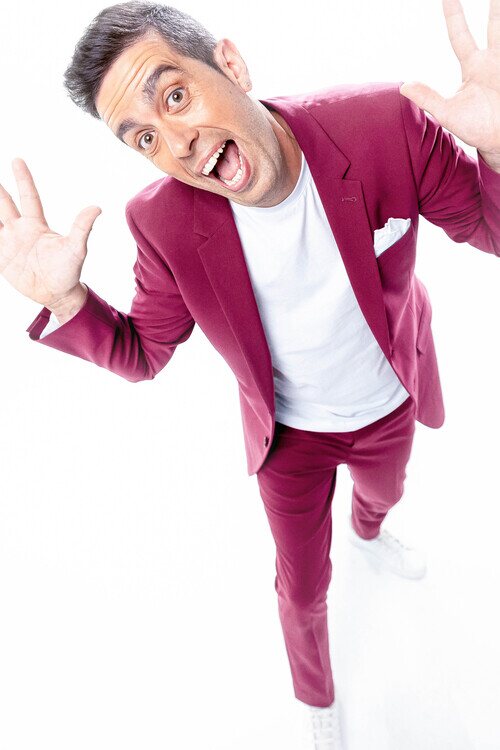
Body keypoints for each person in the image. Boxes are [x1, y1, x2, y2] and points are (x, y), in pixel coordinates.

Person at [1, 1, 500, 747]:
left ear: (231, 65)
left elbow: (491, 227)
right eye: (143, 137)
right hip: (289, 442)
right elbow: (143, 353)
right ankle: (316, 696)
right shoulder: (161, 222)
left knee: (382, 498)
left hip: (389, 398)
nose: (177, 142)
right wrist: (68, 301)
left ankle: (369, 533)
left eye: (175, 95)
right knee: (301, 590)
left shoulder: (384, 127)